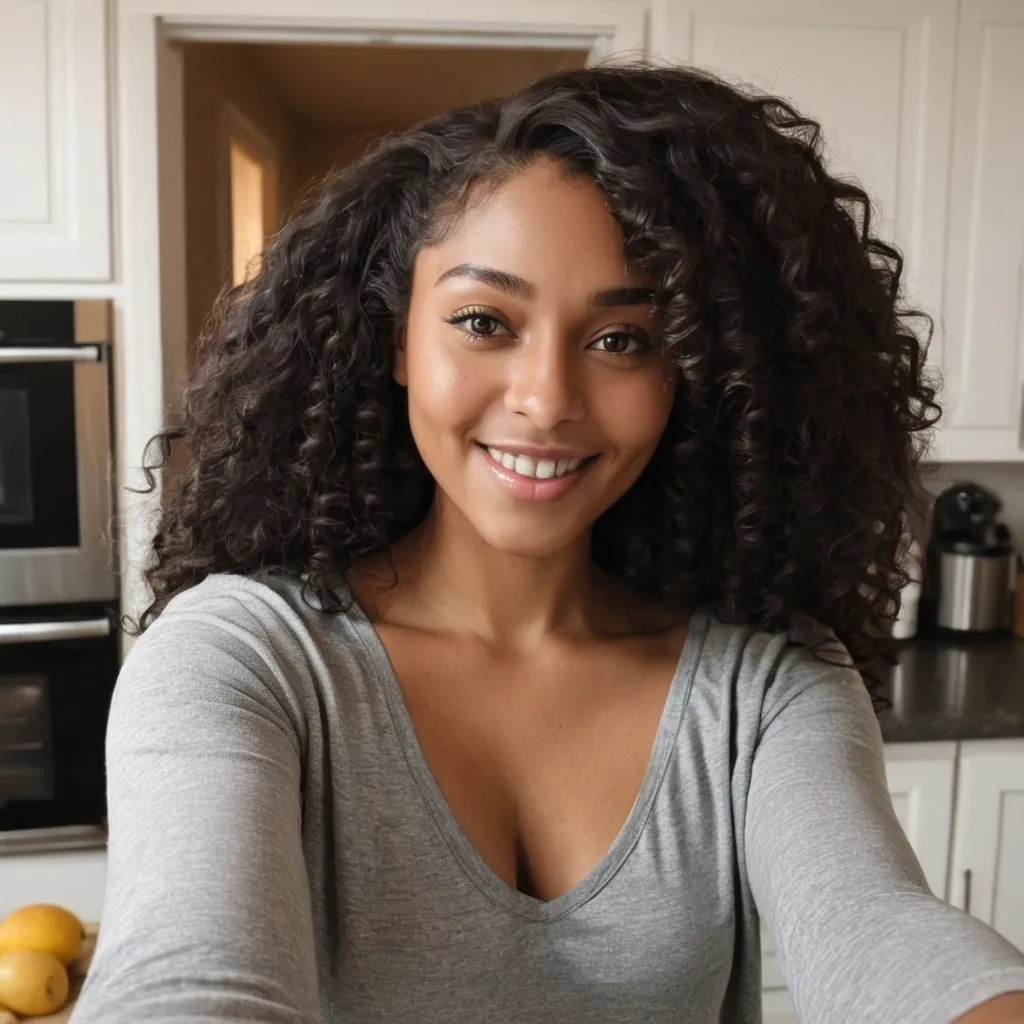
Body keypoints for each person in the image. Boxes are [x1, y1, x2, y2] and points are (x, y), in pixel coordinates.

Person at [72, 63, 1024, 1024]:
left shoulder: (765, 687)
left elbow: (877, 929)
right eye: (484, 322)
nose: (546, 401)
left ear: (693, 373)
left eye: (622, 340)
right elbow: (183, 975)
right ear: (398, 339)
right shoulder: (240, 663)